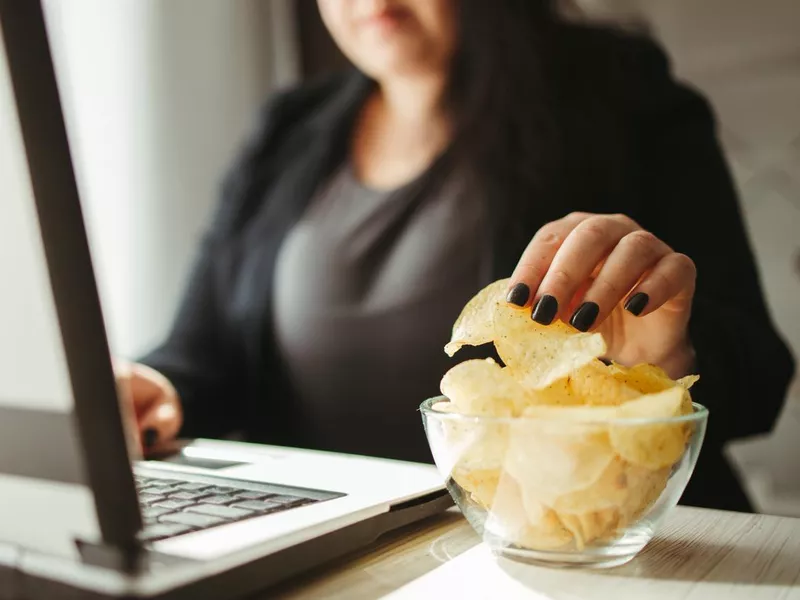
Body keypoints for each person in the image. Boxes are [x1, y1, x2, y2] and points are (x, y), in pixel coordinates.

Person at [117, 0, 795, 513]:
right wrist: (157, 387)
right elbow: (202, 352)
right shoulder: (286, 130)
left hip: (583, 551)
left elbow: (760, 370)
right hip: (345, 554)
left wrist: (664, 363)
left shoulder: (625, 95)